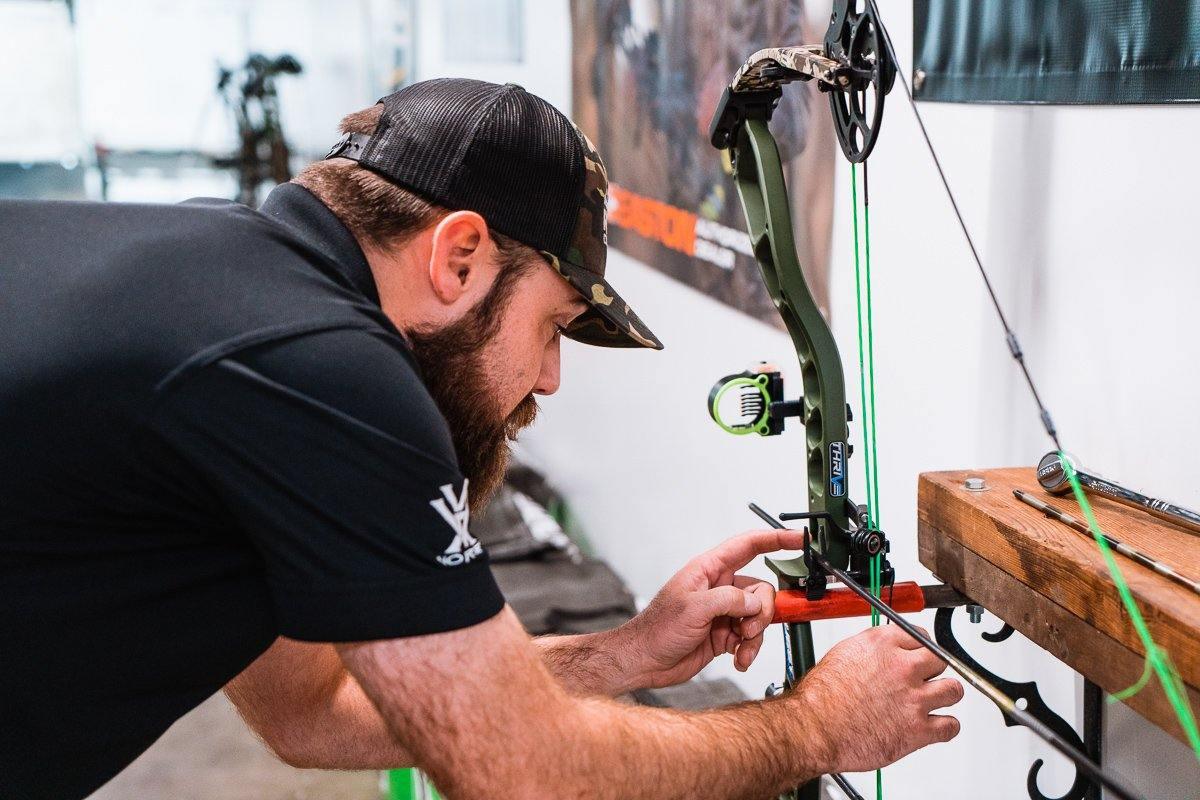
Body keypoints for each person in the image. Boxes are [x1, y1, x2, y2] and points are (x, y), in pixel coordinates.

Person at [0, 78, 962, 800]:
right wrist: (817, 725)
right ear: (460, 255)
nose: (549, 376)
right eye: (551, 325)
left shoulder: (229, 283)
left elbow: (308, 710)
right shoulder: (329, 371)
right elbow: (522, 773)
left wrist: (621, 654)